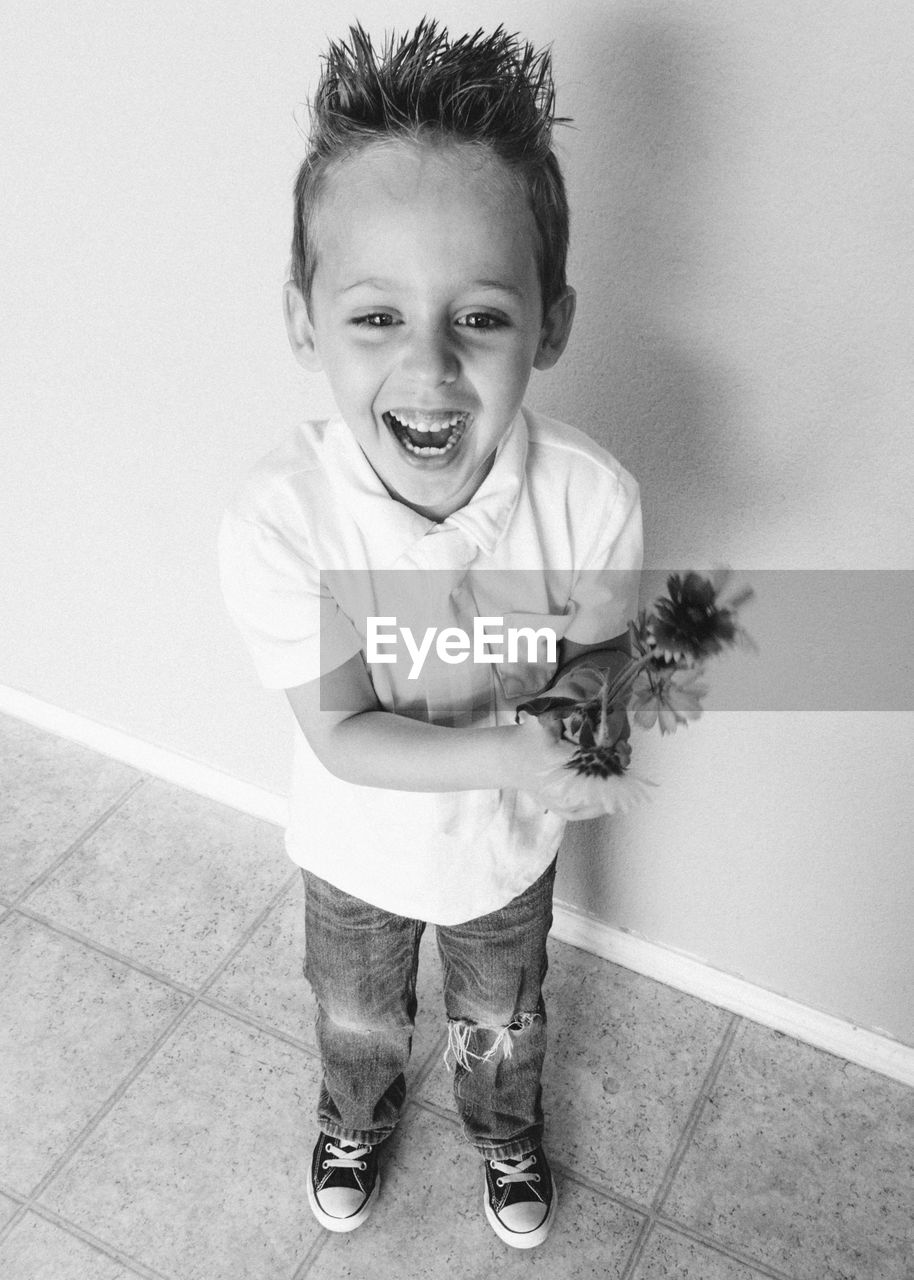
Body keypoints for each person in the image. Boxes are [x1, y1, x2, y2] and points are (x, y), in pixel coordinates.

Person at [219, 19, 642, 1250]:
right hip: (354, 852)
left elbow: (600, 654)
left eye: (477, 318)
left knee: (502, 1013)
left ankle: (502, 1124)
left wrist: (598, 715)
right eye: (375, 317)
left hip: (501, 859)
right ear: (304, 322)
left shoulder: (591, 500)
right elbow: (344, 731)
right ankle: (354, 1109)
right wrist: (518, 751)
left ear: (548, 324)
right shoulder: (279, 522)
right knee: (356, 1010)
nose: (428, 367)